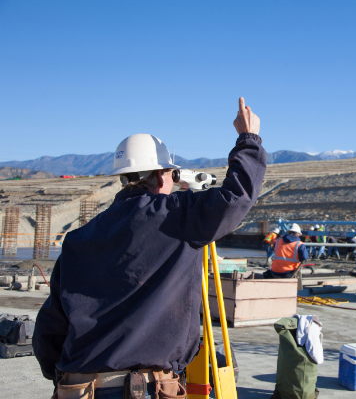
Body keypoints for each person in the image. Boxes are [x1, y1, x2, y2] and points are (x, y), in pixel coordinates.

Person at [32, 97, 266, 398]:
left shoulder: (79, 238)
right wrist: (249, 140)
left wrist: (67, 376)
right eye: (171, 173)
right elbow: (237, 197)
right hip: (146, 389)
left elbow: (50, 329)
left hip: (78, 387)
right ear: (159, 175)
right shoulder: (177, 217)